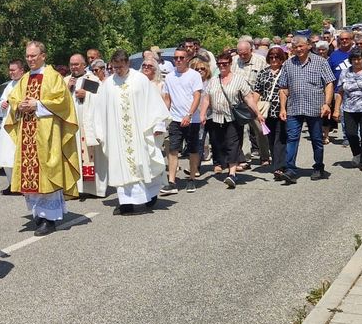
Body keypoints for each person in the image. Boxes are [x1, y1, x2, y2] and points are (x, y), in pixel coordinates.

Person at [4, 40, 80, 236]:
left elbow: (62, 102)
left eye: (33, 56)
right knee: (31, 175)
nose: (30, 59)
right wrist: (18, 104)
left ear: (43, 56)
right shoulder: (25, 78)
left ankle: (50, 218)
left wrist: (37, 105)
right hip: (27, 134)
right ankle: (39, 214)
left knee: (47, 172)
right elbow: (13, 97)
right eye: (27, 56)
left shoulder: (53, 76)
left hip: (47, 135)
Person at [93, 50, 170, 211]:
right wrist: (99, 131)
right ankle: (126, 202)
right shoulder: (108, 84)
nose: (117, 70)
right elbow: (100, 109)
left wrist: (157, 125)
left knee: (143, 164)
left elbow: (153, 103)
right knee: (121, 166)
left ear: (127, 63)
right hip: (117, 135)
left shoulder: (140, 80)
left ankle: (149, 194)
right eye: (114, 68)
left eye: (120, 67)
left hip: (139, 132)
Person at [278, 36, 336, 182]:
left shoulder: (320, 62)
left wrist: (326, 104)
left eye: (301, 46)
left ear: (309, 46)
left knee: (316, 138)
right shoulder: (288, 64)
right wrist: (282, 108)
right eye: (295, 47)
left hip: (314, 107)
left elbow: (329, 83)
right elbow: (283, 87)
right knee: (292, 138)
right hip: (294, 107)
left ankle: (318, 167)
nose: (298, 50)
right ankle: (290, 169)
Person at [203, 49, 261, 188]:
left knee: (233, 144)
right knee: (220, 144)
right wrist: (202, 114)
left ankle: (232, 173)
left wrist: (257, 113)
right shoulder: (213, 81)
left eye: (225, 63)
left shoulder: (239, 79)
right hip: (216, 118)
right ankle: (227, 167)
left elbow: (248, 97)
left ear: (230, 64)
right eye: (220, 64)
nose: (222, 66)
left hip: (233, 118)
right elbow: (206, 99)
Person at [159, 45, 204, 195]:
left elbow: (197, 96)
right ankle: (172, 181)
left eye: (181, 58)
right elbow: (167, 98)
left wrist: (189, 115)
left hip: (192, 120)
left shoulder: (194, 75)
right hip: (175, 119)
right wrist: (164, 116)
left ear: (187, 59)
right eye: (176, 58)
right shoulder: (170, 76)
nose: (178, 60)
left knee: (192, 149)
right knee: (173, 149)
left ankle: (191, 179)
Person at [67, 53, 108, 198]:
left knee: (93, 156)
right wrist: (68, 89)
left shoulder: (92, 79)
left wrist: (88, 95)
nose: (74, 67)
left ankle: (95, 189)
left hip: (88, 125)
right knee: (75, 154)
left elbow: (103, 99)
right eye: (72, 64)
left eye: (77, 64)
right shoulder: (66, 80)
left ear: (84, 65)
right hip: (73, 125)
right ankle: (78, 188)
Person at [253, 47, 290, 181]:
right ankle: (277, 164)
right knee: (271, 139)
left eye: (277, 57)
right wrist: (254, 109)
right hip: (267, 111)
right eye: (272, 57)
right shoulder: (263, 73)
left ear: (282, 59)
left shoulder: (286, 71)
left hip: (282, 110)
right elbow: (257, 91)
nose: (274, 60)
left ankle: (279, 167)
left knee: (280, 139)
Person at [234, 38, 269, 163]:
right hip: (238, 102)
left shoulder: (261, 61)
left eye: (245, 53)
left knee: (260, 130)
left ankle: (265, 156)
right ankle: (244, 158)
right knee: (241, 131)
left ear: (251, 50)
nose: (242, 56)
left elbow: (267, 80)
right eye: (240, 53)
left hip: (255, 100)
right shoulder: (233, 61)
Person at [0, 59, 25, 194]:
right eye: (10, 70)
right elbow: (2, 99)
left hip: (19, 123)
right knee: (6, 154)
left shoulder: (26, 83)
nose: (11, 72)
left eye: (13, 70)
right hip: (7, 123)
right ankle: (11, 183)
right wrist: (2, 104)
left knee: (17, 154)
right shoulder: (9, 85)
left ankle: (21, 184)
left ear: (21, 70)